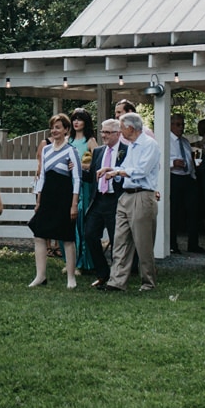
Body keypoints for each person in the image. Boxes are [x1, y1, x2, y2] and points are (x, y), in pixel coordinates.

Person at [101, 112, 162, 292]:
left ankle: (148, 282)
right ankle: (117, 282)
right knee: (120, 240)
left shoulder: (149, 145)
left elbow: (141, 171)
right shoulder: (132, 146)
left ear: (130, 127)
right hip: (126, 196)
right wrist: (110, 169)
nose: (119, 131)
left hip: (142, 195)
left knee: (143, 243)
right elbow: (126, 167)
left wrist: (118, 173)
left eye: (121, 127)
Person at [27, 114, 81, 289]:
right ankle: (40, 276)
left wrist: (74, 204)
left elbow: (77, 179)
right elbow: (42, 176)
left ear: (66, 130)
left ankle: (71, 278)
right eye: (53, 127)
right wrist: (39, 200)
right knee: (39, 235)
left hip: (64, 197)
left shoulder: (71, 150)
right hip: (47, 197)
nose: (54, 130)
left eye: (58, 127)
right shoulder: (45, 150)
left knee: (67, 237)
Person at [80, 119, 123, 284]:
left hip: (115, 199)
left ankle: (116, 276)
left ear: (118, 134)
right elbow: (92, 176)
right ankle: (102, 273)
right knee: (90, 234)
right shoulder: (98, 151)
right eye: (102, 132)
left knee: (116, 240)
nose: (104, 135)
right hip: (98, 199)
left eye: (107, 132)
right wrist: (75, 170)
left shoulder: (125, 151)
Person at [67, 109, 98, 278]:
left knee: (82, 222)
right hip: (69, 184)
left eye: (80, 119)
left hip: (84, 186)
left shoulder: (90, 141)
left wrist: (83, 166)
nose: (76, 122)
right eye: (74, 119)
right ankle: (71, 261)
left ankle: (84, 262)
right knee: (70, 225)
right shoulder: (68, 140)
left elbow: (98, 162)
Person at [167, 112, 201, 254]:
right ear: (171, 125)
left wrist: (193, 175)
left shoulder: (185, 142)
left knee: (193, 212)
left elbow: (191, 160)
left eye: (183, 125)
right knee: (173, 212)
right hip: (174, 177)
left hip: (187, 178)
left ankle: (193, 244)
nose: (181, 128)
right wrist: (172, 163)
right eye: (178, 125)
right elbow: (159, 161)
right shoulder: (166, 141)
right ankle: (172, 244)